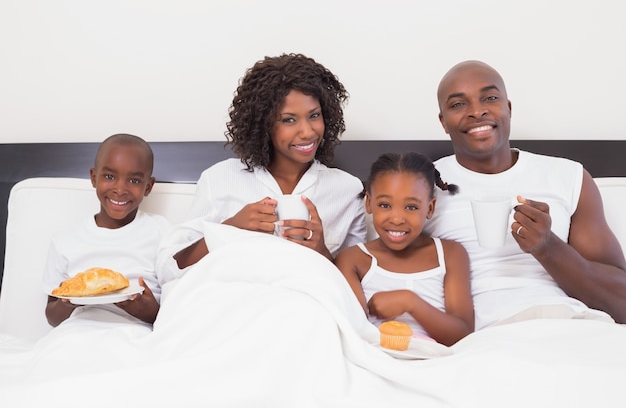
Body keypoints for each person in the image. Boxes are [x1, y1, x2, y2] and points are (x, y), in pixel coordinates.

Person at [424, 60, 626, 329]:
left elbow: (620, 301)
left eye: (490, 98)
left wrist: (547, 248)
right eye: (458, 104)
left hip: (572, 325)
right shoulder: (421, 185)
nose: (477, 111)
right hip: (480, 337)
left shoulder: (568, 177)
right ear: (443, 122)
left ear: (508, 108)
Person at [159, 53, 366, 283]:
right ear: (263, 125)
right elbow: (170, 270)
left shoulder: (347, 190)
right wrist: (230, 229)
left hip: (305, 309)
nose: (308, 132)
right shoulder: (219, 179)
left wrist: (321, 251)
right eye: (289, 120)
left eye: (314, 115)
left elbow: (356, 285)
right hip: (230, 305)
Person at [335, 152, 474, 346]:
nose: (397, 219)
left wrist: (410, 302)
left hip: (437, 361)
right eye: (385, 205)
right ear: (369, 203)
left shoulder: (450, 254)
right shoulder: (352, 260)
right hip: (377, 359)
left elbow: (463, 334)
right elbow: (354, 332)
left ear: (430, 208)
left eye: (411, 207)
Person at [43, 133, 171, 327]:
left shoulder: (162, 233)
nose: (120, 189)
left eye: (134, 180)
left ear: (148, 186)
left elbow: (178, 310)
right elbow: (52, 318)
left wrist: (150, 312)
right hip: (76, 334)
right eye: (110, 177)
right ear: (94, 178)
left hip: (136, 337)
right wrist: (68, 300)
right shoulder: (66, 240)